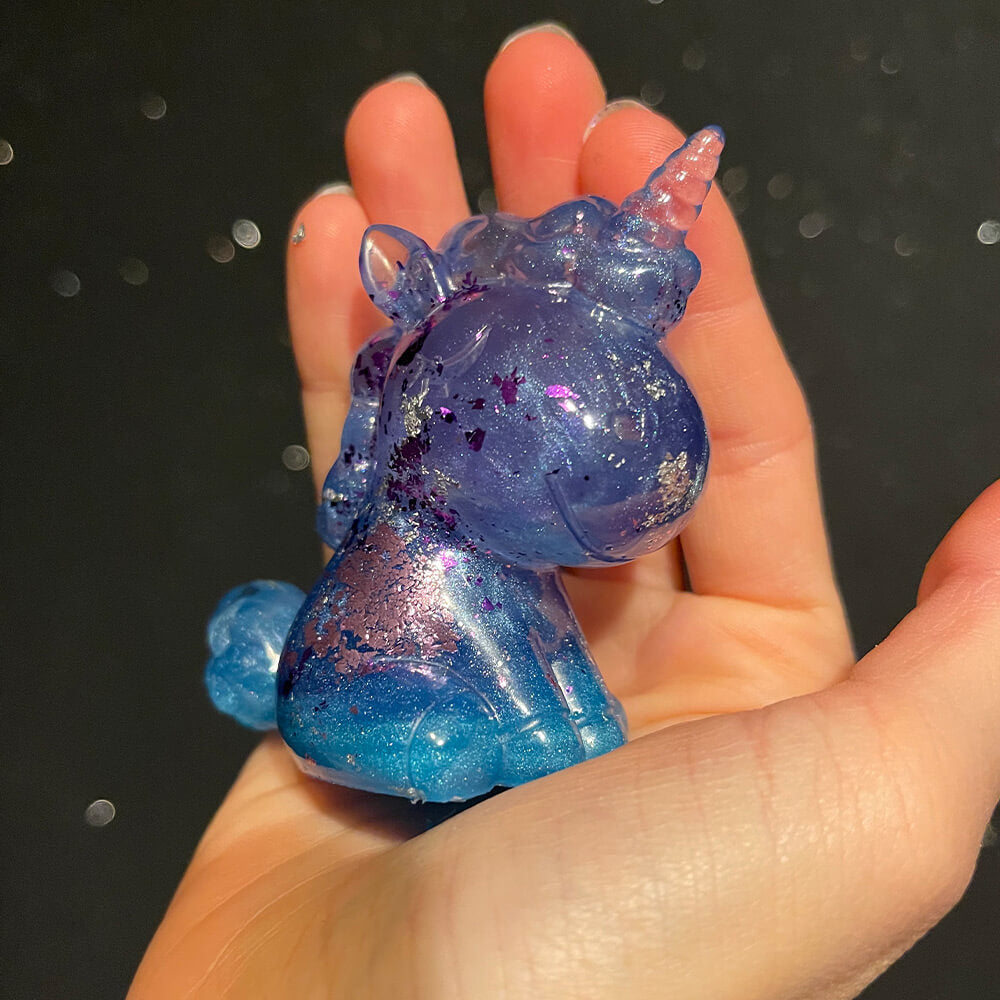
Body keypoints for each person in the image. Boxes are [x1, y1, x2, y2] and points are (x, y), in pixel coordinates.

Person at [128, 24, 1000, 1000]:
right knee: (455, 741)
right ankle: (373, 724)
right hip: (353, 696)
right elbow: (497, 640)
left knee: (525, 694)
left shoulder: (506, 558)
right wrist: (556, 733)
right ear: (462, 399)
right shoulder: (441, 544)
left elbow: (534, 633)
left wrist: (580, 719)